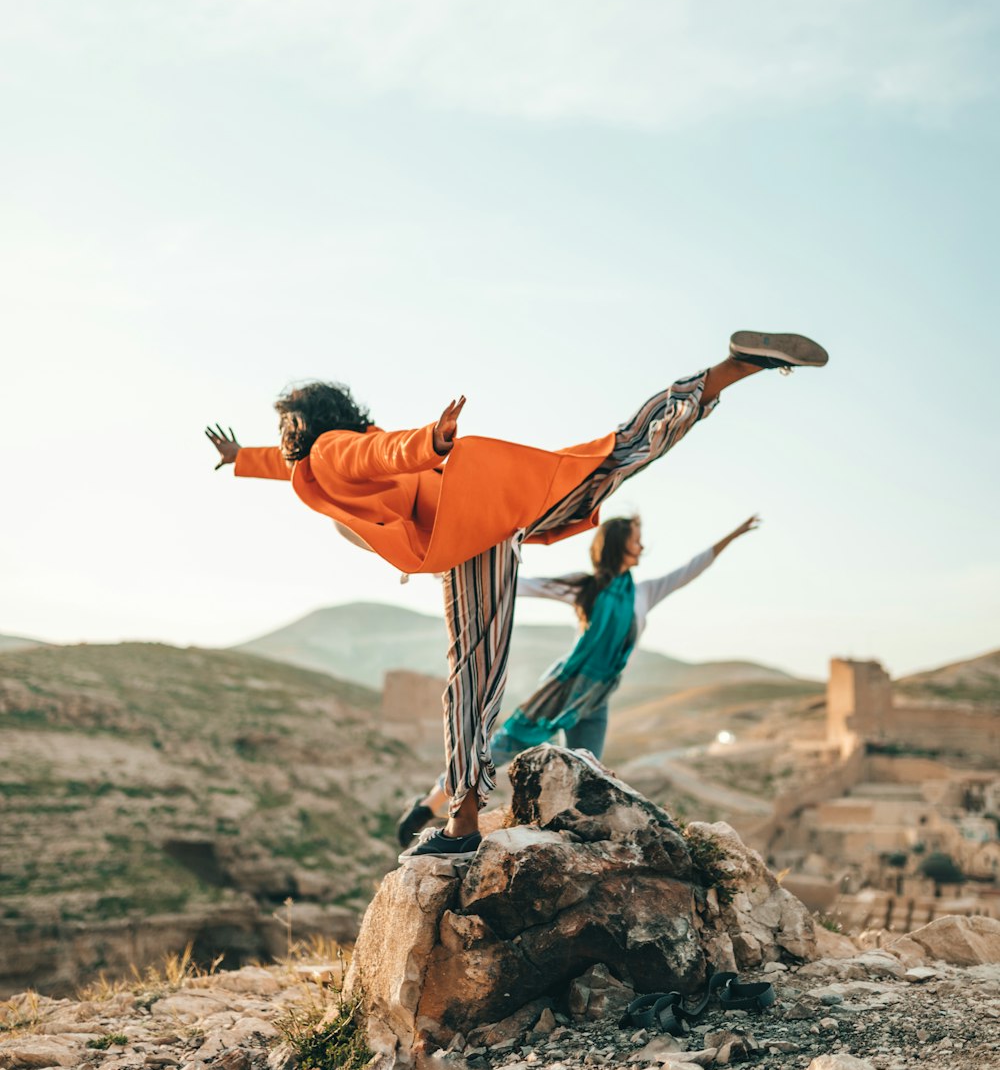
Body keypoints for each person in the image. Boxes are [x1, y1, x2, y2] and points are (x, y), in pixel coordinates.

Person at [206, 329, 828, 860]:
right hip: (496, 512)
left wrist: (430, 441)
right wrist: (240, 458)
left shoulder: (332, 450)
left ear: (307, 423)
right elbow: (294, 461)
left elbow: (377, 451)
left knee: (473, 673)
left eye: (285, 423)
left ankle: (463, 821)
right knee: (613, 455)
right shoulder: (315, 456)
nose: (282, 433)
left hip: (466, 530)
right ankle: (728, 371)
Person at [397, 512, 760, 846]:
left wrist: (733, 535)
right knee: (500, 749)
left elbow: (690, 569)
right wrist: (448, 569)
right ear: (619, 543)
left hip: (597, 698)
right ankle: (430, 804)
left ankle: (559, 838)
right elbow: (516, 583)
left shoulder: (643, 593)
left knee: (586, 772)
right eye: (637, 539)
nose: (642, 546)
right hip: (562, 689)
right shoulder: (584, 587)